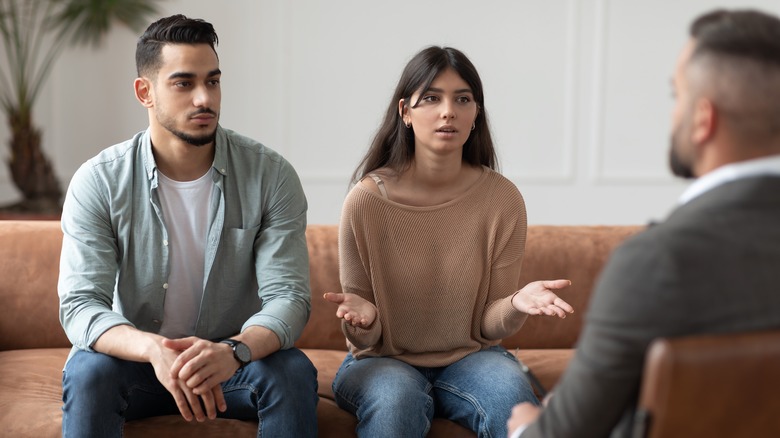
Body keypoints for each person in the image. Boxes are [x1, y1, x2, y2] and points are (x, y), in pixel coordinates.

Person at [507, 8, 780, 438]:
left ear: (704, 120)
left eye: (677, 97)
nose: (673, 115)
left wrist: (527, 428)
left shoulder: (657, 262)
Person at [57, 15, 318, 437]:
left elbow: (289, 297)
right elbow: (81, 304)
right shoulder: (99, 180)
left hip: (230, 362)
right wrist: (152, 349)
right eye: (184, 83)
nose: (204, 98)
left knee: (291, 371)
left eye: (212, 82)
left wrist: (234, 350)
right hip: (137, 362)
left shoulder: (270, 175)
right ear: (145, 92)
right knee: (90, 373)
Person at [322, 46, 574, 438]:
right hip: (382, 360)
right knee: (395, 401)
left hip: (471, 358)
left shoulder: (502, 199)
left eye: (462, 99)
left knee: (510, 395)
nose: (448, 112)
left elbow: (488, 327)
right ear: (405, 111)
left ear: (476, 113)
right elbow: (363, 335)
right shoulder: (366, 201)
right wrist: (366, 320)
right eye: (432, 98)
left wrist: (515, 304)